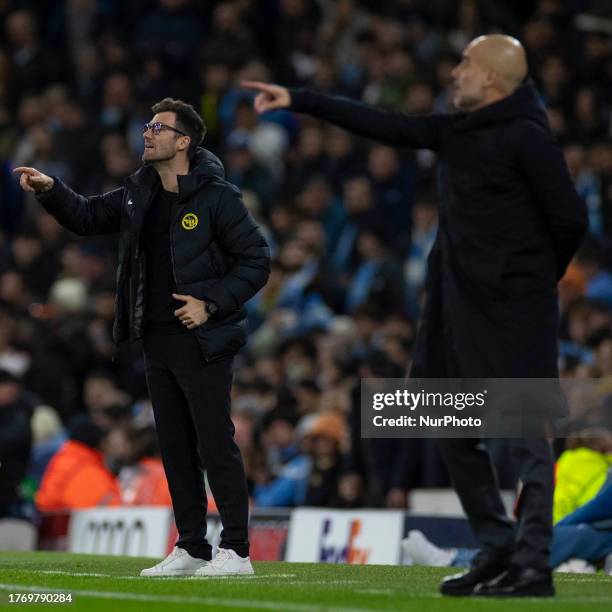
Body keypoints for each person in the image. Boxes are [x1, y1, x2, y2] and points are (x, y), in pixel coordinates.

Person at [244, 34, 588, 597]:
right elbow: (386, 125)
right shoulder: (458, 131)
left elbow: (570, 218)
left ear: (495, 79)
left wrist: (526, 277)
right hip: (453, 306)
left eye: (466, 64)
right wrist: (301, 99)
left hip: (510, 308)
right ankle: (497, 546)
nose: (455, 73)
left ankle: (534, 564)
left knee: (524, 434)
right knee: (444, 421)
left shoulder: (528, 138)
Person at [14, 97, 270, 577]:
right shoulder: (139, 191)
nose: (147, 132)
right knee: (173, 446)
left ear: (183, 141)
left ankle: (236, 550)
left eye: (158, 127)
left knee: (215, 443)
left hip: (204, 338)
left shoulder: (218, 196)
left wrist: (210, 303)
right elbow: (89, 217)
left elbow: (257, 260)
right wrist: (51, 191)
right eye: (147, 125)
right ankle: (192, 546)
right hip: (155, 339)